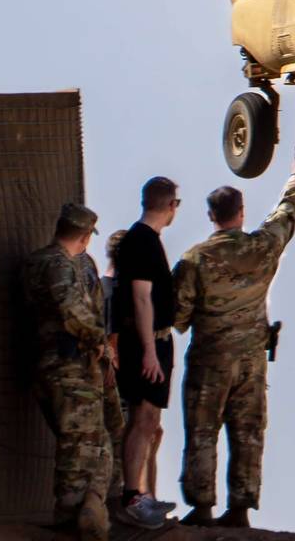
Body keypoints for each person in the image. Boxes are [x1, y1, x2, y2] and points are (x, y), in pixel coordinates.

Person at [171, 146, 295, 528]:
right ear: (241, 213)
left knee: (202, 429)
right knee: (247, 432)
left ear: (211, 216)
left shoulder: (193, 260)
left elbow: (179, 316)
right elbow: (286, 216)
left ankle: (201, 507)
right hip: (251, 361)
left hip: (210, 358)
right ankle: (240, 508)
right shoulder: (262, 247)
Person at [21, 203, 121, 541]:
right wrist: (99, 341)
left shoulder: (40, 262)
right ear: (84, 235)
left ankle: (91, 507)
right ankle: (71, 516)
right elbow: (72, 309)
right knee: (79, 442)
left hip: (63, 364)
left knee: (99, 441)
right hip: (69, 365)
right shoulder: (58, 265)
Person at [111, 177, 183, 527]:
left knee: (149, 420)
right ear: (171, 205)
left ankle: (138, 494)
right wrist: (149, 351)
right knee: (143, 419)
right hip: (146, 343)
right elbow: (141, 299)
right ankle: (132, 498)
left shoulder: (147, 240)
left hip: (156, 341)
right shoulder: (140, 240)